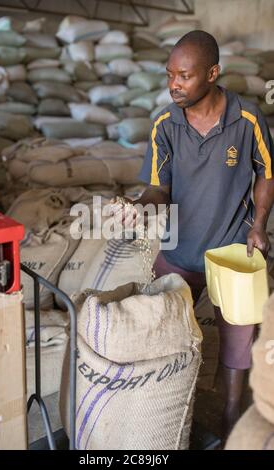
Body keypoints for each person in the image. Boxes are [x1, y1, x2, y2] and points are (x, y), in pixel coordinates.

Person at [111, 30, 274, 442]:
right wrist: (138, 207)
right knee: (156, 327)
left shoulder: (248, 118)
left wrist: (259, 226)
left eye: (184, 75)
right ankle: (158, 412)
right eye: (169, 75)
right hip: (179, 247)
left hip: (233, 249)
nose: (174, 85)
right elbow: (158, 190)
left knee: (238, 342)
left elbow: (266, 173)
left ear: (213, 73)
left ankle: (231, 415)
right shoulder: (165, 125)